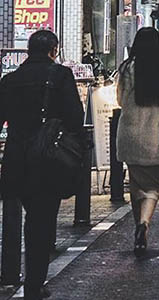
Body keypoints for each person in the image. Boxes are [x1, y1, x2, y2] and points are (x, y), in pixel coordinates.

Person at [0, 30, 84, 300]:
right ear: (54, 50)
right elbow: (75, 117)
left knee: (19, 213)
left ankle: (15, 273)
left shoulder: (10, 80)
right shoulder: (61, 76)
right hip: (48, 159)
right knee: (41, 220)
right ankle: (34, 284)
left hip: (16, 158)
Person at [116, 27, 159, 257]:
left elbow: (120, 99)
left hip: (131, 133)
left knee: (136, 183)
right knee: (152, 185)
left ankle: (139, 229)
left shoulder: (127, 68)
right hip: (156, 132)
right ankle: (143, 223)